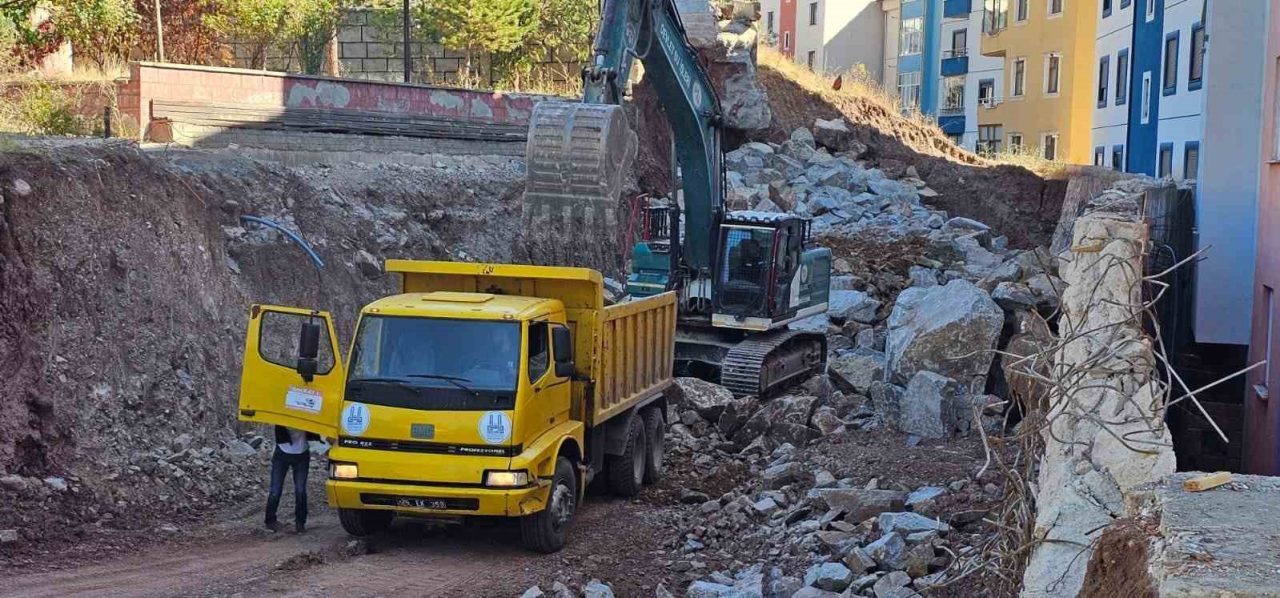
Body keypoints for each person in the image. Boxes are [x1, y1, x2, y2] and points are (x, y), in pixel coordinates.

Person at [265, 425, 318, 533]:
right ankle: (270, 521)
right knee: (275, 490)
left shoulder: (307, 415)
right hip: (281, 453)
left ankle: (300, 523)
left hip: (302, 455)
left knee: (300, 490)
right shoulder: (282, 417)